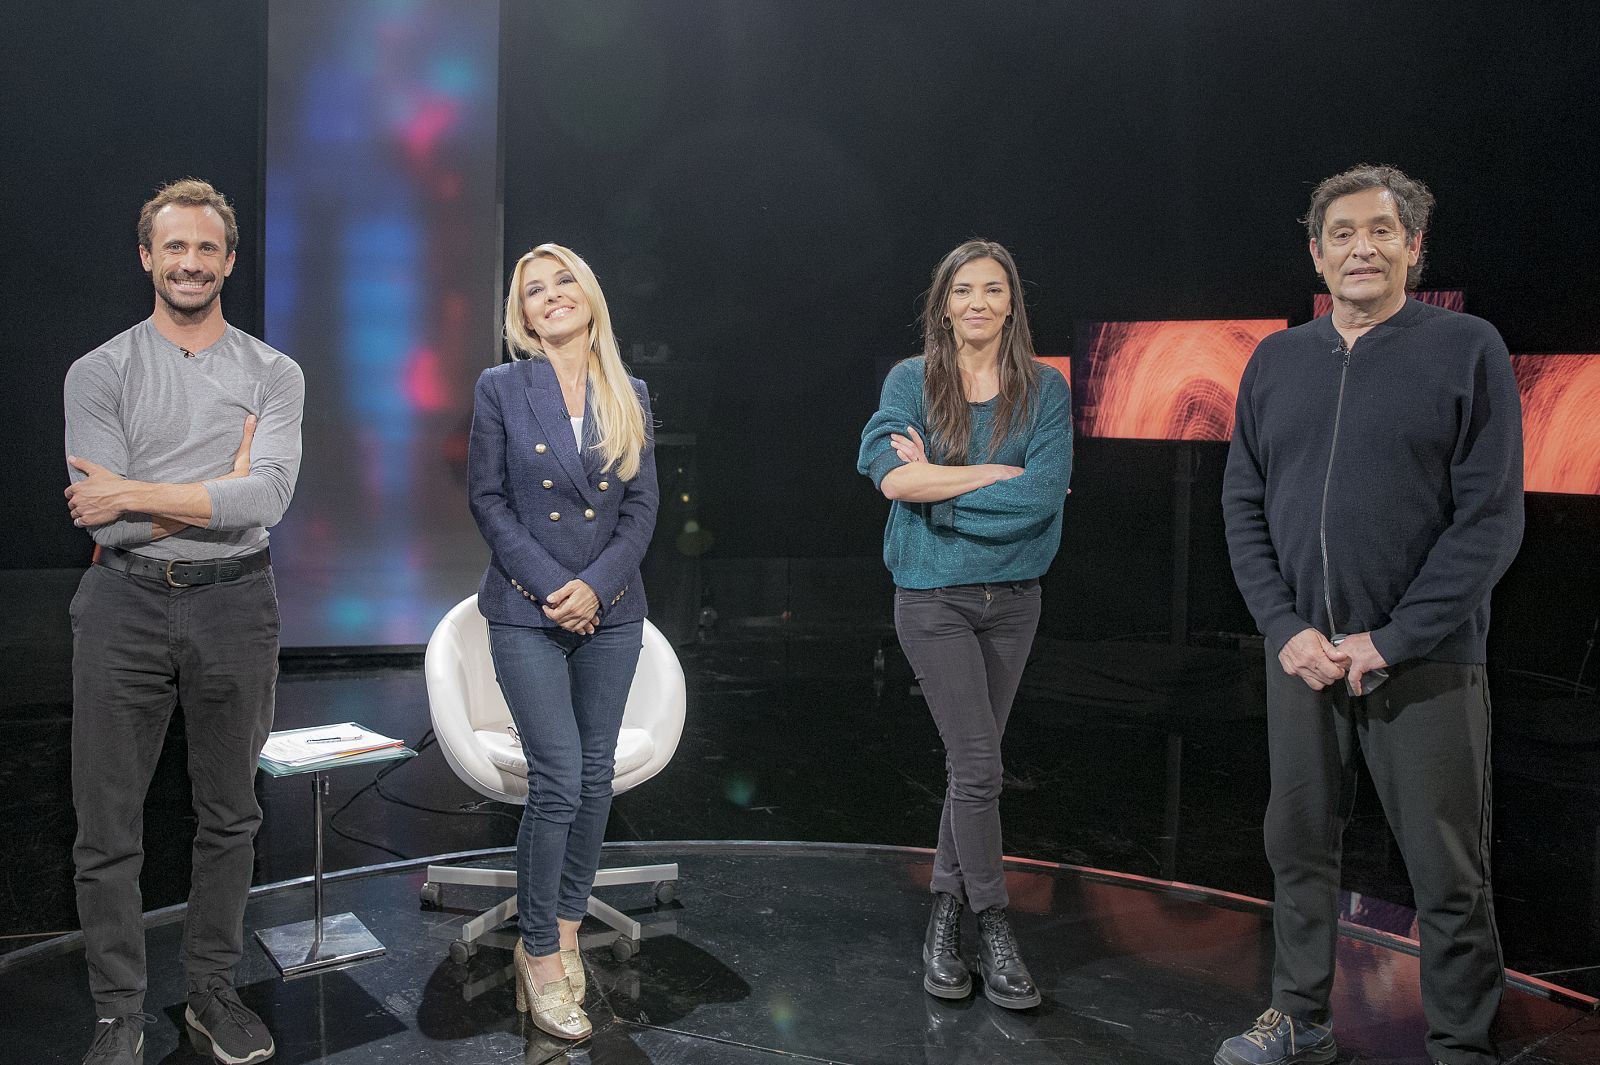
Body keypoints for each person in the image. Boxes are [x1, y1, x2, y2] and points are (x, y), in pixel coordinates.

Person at [1218, 165, 1523, 1065]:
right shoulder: (1275, 360)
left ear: (1414, 248)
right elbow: (1243, 506)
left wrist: (1390, 638)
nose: (1362, 246)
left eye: (1382, 231)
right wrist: (1286, 630)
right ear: (1316, 251)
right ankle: (1299, 1017)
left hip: (1423, 659)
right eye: (1342, 232)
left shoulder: (1469, 347)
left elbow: (1491, 520)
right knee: (1298, 847)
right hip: (1307, 658)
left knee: (1447, 871)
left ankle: (1462, 1044)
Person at [63, 178, 304, 1065]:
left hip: (237, 602)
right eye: (175, 247)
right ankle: (117, 1010)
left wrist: (139, 489)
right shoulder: (99, 371)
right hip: (121, 600)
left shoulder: (275, 374)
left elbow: (269, 496)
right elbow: (104, 519)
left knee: (230, 814)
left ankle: (210, 990)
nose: (191, 262)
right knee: (106, 825)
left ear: (229, 260)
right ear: (147, 257)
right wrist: (213, 494)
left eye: (207, 249)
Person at [857, 239, 1072, 1009]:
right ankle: (995, 923)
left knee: (968, 770)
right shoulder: (911, 381)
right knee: (980, 767)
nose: (978, 302)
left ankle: (944, 916)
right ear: (943, 303)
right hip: (932, 598)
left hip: (1015, 600)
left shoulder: (1044, 390)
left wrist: (936, 491)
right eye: (963, 290)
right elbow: (890, 476)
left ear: (1011, 302)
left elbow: (1043, 498)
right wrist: (986, 474)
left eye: (993, 289)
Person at [468, 243, 658, 1040]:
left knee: (594, 779)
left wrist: (597, 589)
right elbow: (488, 499)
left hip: (610, 612)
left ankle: (570, 928)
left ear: (590, 293)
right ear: (521, 313)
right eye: (533, 290)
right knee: (558, 780)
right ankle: (539, 953)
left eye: (563, 281)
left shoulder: (632, 391)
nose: (551, 296)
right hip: (525, 612)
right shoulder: (501, 387)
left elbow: (642, 508)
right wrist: (554, 588)